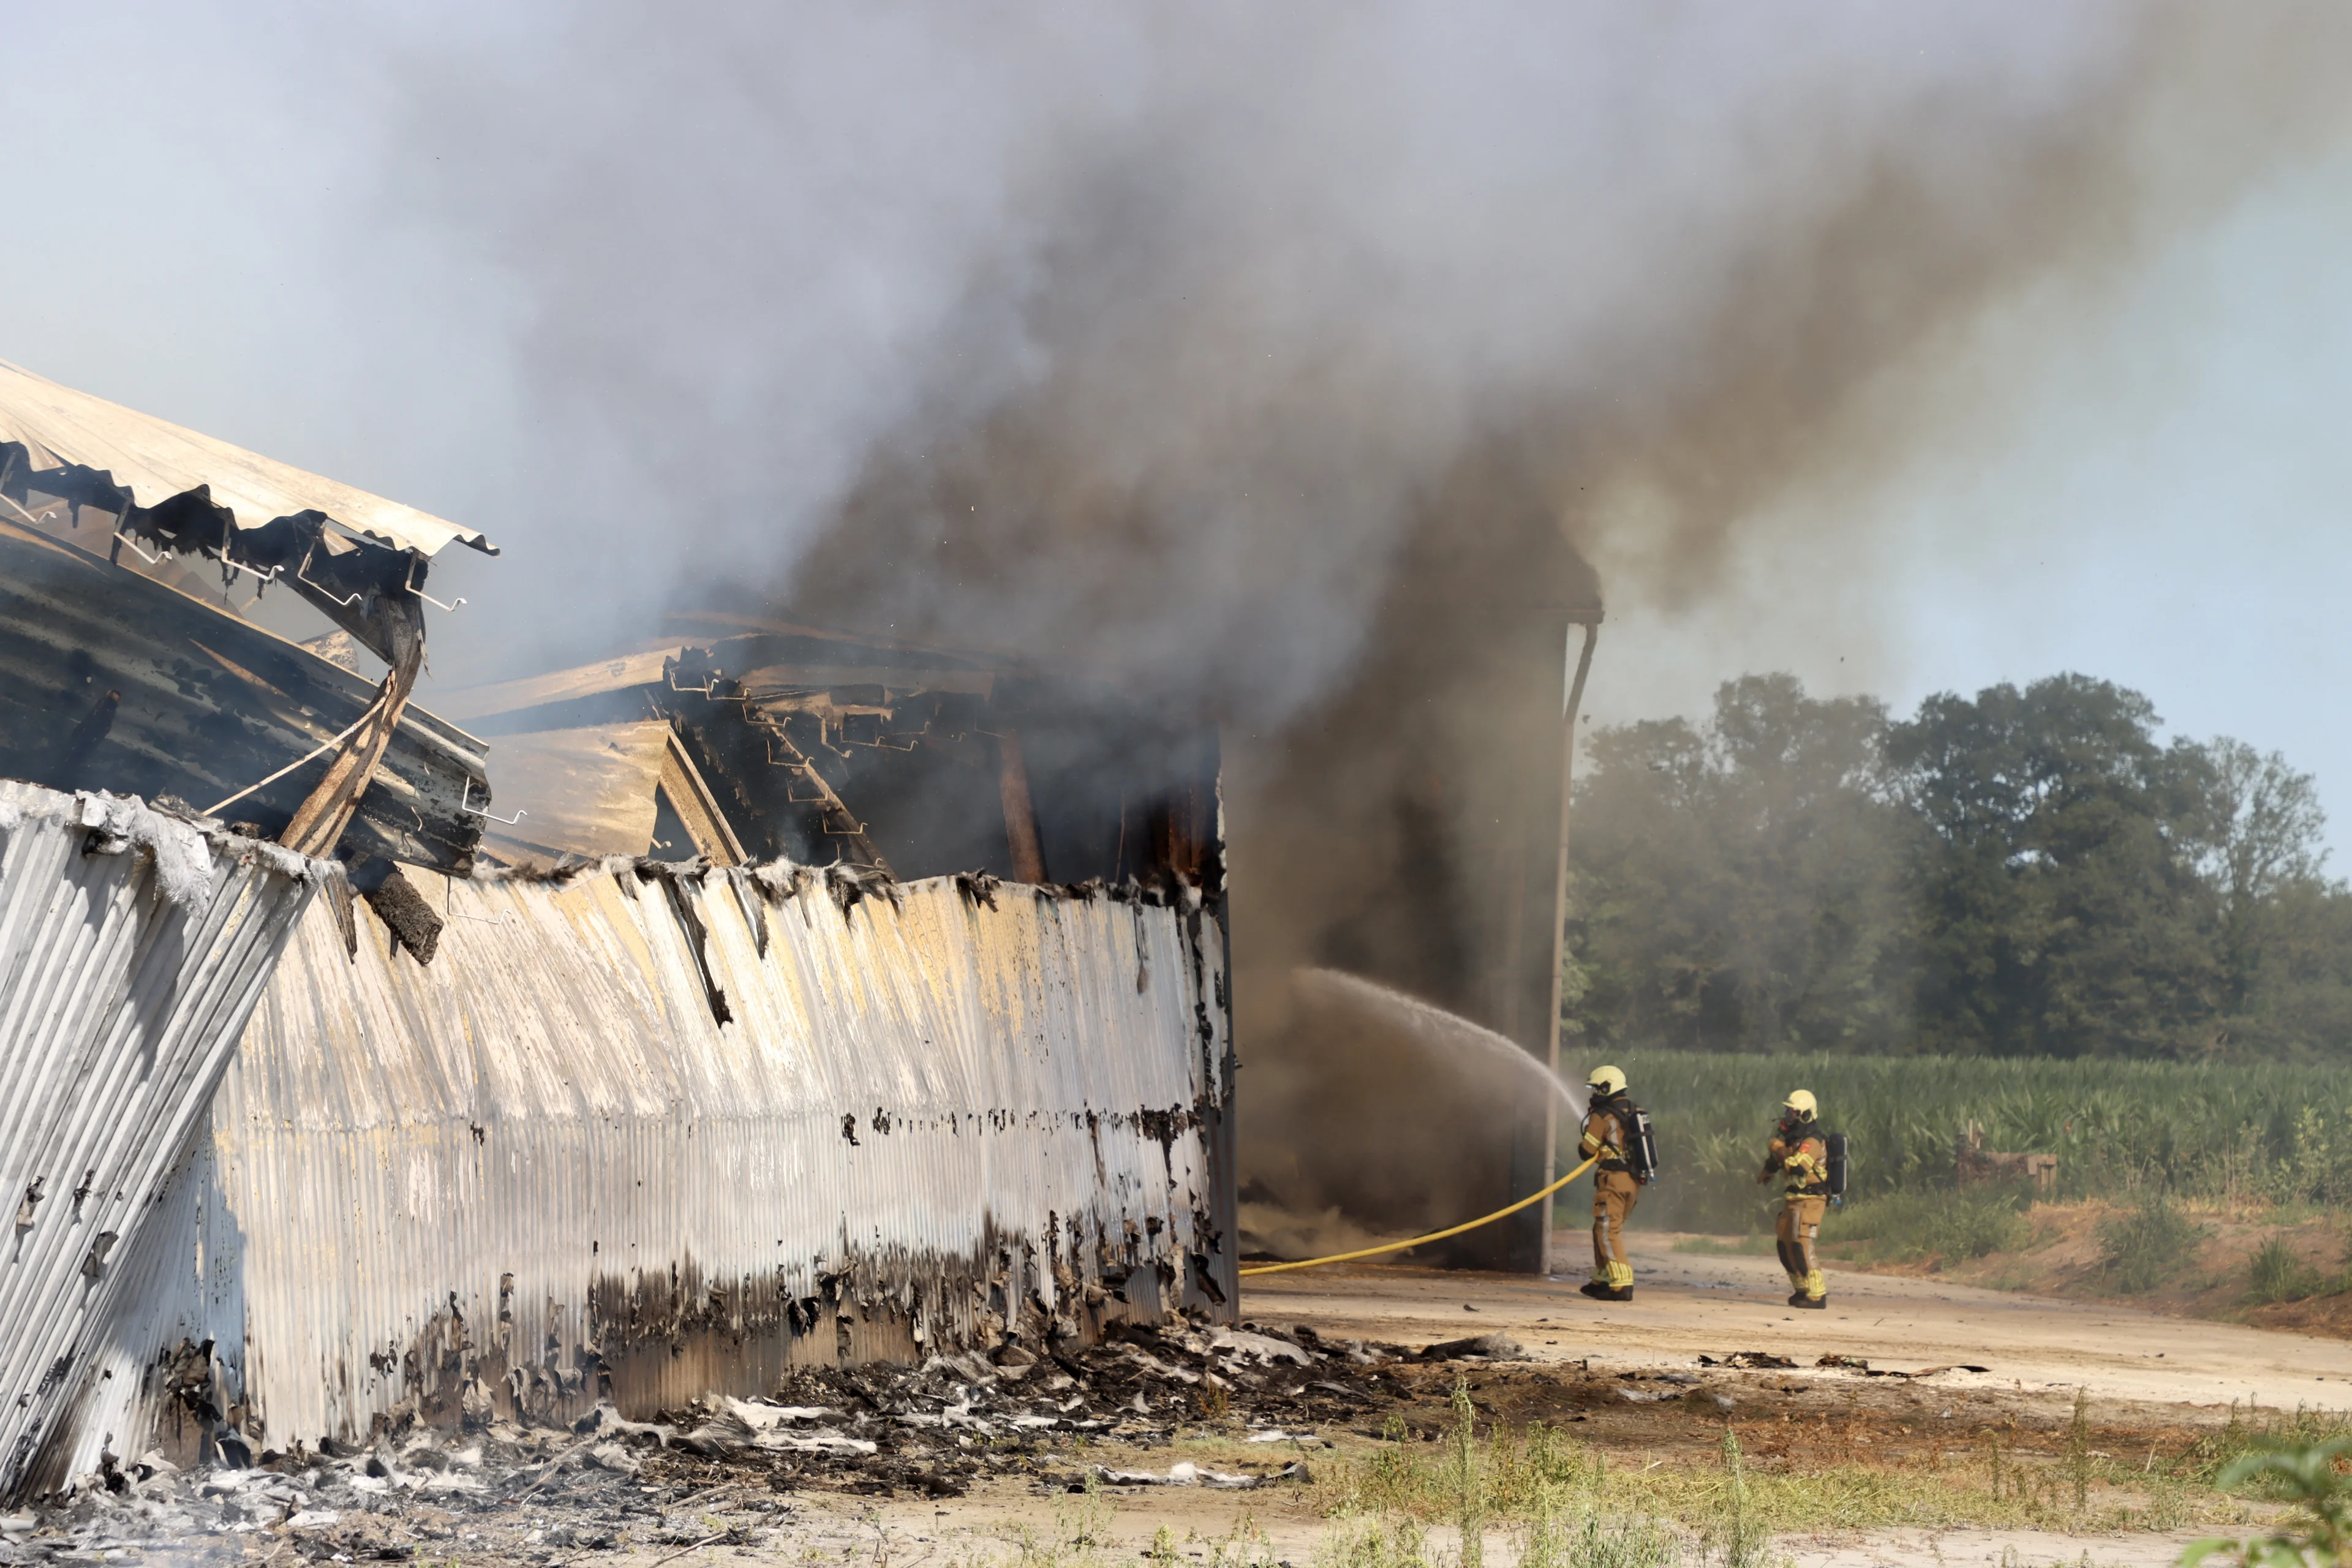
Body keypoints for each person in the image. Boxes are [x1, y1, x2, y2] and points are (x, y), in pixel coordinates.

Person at [1757, 1089, 1829, 1309]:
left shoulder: (1813, 1141)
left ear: (1806, 1115)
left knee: (1802, 1246)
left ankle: (1818, 1295)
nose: (1787, 1117)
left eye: (1793, 1113)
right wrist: (1767, 1172)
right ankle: (1802, 1289)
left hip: (1810, 1201)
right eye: (1787, 1112)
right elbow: (1780, 1161)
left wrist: (1779, 1149)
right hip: (1793, 1200)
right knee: (1784, 1245)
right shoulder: (1793, 1141)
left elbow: (1798, 1167)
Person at [1578, 1065, 1642, 1302]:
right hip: (1633, 1182)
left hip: (1613, 1182)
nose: (1594, 1094)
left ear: (1607, 1087)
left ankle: (1623, 1284)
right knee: (1602, 1229)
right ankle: (1602, 1280)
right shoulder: (1637, 1110)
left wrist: (1589, 1129)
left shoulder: (1602, 1115)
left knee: (1607, 1232)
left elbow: (1587, 1151)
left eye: (1597, 1089)